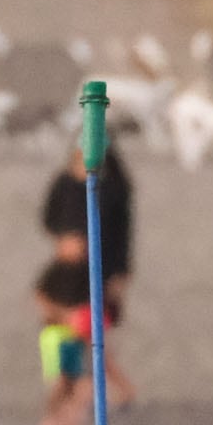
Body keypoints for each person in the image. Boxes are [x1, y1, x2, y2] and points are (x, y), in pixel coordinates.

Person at [34, 228, 130, 425]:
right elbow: (99, 353)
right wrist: (123, 386)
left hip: (64, 344)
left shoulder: (84, 295)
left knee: (72, 416)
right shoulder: (86, 309)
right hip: (65, 346)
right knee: (72, 413)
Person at [42, 138, 134, 328]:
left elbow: (122, 233)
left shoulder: (113, 188)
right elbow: (50, 218)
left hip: (102, 268)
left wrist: (121, 271)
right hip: (69, 269)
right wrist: (64, 240)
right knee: (57, 321)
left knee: (91, 329)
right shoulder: (64, 184)